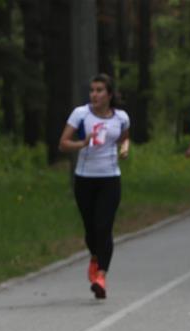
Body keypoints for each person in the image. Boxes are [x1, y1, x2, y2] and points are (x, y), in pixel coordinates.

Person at [58, 73, 130, 300]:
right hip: (85, 178)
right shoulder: (81, 114)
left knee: (104, 226)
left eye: (99, 90)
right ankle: (95, 257)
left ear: (109, 94)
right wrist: (82, 142)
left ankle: (101, 276)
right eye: (92, 90)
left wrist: (125, 148)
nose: (94, 94)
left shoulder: (121, 117)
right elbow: (63, 144)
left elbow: (125, 137)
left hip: (110, 178)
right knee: (91, 229)